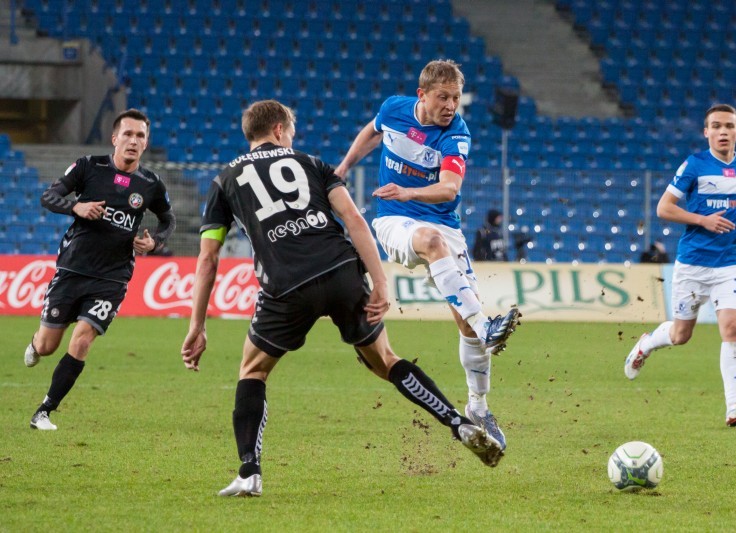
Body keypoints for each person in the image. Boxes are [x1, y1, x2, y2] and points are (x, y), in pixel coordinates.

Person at [181, 100, 504, 498]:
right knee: (386, 361)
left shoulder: (224, 181)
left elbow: (208, 258)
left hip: (286, 284)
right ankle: (458, 423)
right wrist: (380, 281)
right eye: (291, 132)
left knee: (253, 371)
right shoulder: (312, 163)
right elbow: (353, 219)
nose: (292, 138)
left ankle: (249, 472)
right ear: (279, 130)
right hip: (341, 272)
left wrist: (197, 325)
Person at [335, 59, 520, 451]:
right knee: (435, 248)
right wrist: (346, 165)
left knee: (465, 323)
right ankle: (486, 326)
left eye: (455, 98)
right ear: (422, 95)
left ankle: (478, 407)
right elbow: (373, 131)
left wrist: (410, 191)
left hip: (441, 221)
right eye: (443, 97)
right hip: (394, 219)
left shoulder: (456, 133)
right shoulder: (394, 109)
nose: (450, 105)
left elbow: (450, 189)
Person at [24, 108, 176, 430]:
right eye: (128, 134)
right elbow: (49, 196)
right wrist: (75, 206)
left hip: (113, 277)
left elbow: (168, 219)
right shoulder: (88, 166)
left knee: (82, 340)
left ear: (146, 143)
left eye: (140, 136)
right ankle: (35, 343)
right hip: (73, 269)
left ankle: (44, 411)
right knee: (48, 346)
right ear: (114, 138)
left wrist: (155, 243)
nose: (133, 141)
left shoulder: (150, 184)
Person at [624, 103, 736, 428]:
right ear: (706, 132)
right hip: (693, 264)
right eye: (716, 126)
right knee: (680, 335)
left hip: (729, 263)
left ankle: (733, 407)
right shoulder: (694, 165)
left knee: (732, 327)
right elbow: (664, 208)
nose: (723, 131)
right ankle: (647, 344)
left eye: (729, 126)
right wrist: (703, 220)